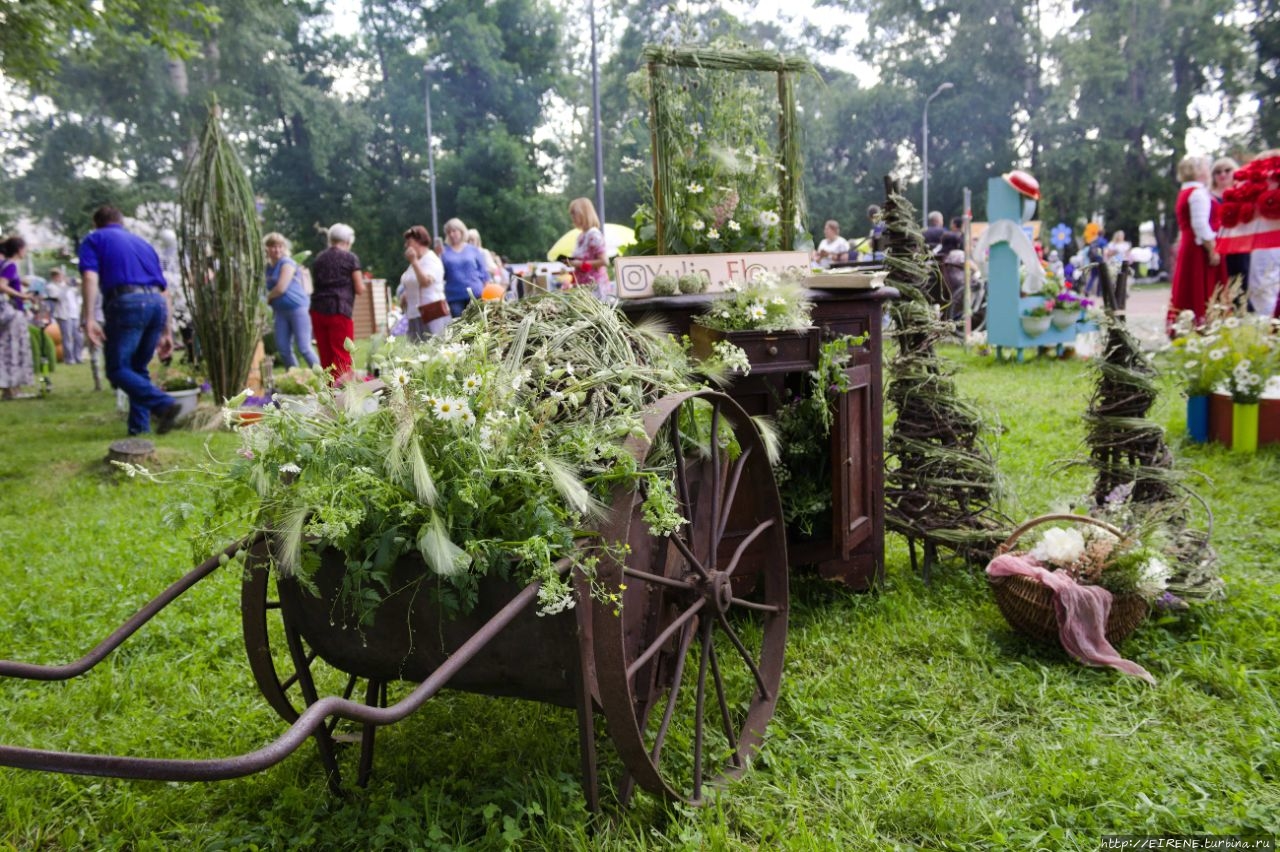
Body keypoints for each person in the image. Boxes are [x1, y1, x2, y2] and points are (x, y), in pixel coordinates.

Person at [78, 206, 181, 434]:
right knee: (138, 368)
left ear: (96, 224)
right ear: (122, 222)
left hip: (126, 303)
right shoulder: (143, 244)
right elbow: (165, 292)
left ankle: (163, 404)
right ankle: (139, 429)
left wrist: (89, 318)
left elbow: (89, 275)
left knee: (117, 369)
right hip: (156, 304)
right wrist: (167, 333)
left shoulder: (94, 239)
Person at [1168, 155, 1226, 329]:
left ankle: (1187, 324)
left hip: (1190, 244)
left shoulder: (1186, 192)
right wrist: (1212, 248)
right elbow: (1200, 224)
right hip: (1198, 247)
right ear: (1200, 171)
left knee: (1188, 285)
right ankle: (1202, 324)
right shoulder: (1198, 193)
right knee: (1200, 286)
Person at [309, 223, 366, 382]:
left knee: (326, 356)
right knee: (342, 355)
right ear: (347, 241)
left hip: (317, 310)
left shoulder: (319, 258)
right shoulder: (350, 258)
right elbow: (360, 288)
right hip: (339, 309)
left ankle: (329, 393)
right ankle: (342, 396)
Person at [263, 233, 318, 369]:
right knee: (283, 349)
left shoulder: (287, 263)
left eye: (279, 246)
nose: (277, 250)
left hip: (297, 308)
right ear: (267, 249)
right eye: (273, 247)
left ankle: (325, 379)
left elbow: (281, 288)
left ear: (284, 248)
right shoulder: (267, 268)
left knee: (304, 347)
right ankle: (295, 378)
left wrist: (267, 298)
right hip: (280, 312)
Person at [0, 236, 38, 399]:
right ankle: (11, 388)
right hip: (13, 312)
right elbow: (1, 285)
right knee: (13, 349)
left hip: (8, 312)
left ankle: (12, 388)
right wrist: (22, 295)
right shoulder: (11, 265)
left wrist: (22, 283)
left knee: (8, 350)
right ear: (19, 249)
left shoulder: (5, 264)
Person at [1210, 156, 1251, 298]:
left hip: (1241, 244)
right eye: (1218, 172)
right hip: (1219, 245)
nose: (1223, 174)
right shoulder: (1208, 197)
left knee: (1243, 279)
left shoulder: (1243, 193)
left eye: (1227, 170)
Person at [399, 224, 448, 340]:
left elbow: (425, 282)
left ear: (419, 241)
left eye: (409, 242)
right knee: (417, 352)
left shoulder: (431, 259)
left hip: (431, 312)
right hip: (414, 313)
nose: (406, 246)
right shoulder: (415, 262)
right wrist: (406, 294)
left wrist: (414, 262)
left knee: (432, 347)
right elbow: (412, 281)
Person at [440, 217, 489, 317]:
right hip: (454, 297)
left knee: (478, 324)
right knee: (460, 327)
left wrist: (487, 291)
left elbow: (484, 272)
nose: (452, 234)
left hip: (476, 294)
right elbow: (440, 274)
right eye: (449, 232)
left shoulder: (473, 250)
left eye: (454, 231)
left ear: (461, 231)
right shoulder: (444, 253)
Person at [566, 198, 608, 294]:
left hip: (595, 289)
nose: (572, 217)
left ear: (584, 213)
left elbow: (604, 261)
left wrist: (579, 264)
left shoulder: (593, 234)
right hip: (584, 288)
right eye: (571, 214)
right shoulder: (581, 235)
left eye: (574, 213)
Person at [46, 268, 83, 364]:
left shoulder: (67, 286)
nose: (60, 277)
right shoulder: (51, 287)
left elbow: (78, 295)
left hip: (75, 314)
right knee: (67, 337)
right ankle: (69, 359)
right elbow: (59, 297)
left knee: (79, 337)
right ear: (54, 277)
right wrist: (66, 286)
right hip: (63, 315)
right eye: (58, 276)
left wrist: (80, 286)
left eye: (61, 275)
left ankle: (78, 357)